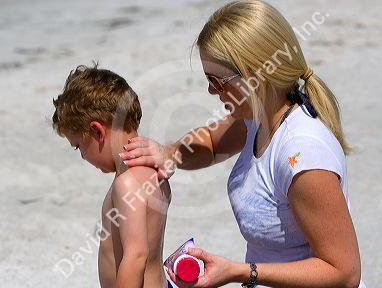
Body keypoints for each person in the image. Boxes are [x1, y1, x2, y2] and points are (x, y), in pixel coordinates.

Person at [120, 1, 366, 287]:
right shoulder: (261, 116)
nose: (211, 90)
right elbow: (211, 143)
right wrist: (169, 153)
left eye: (217, 80)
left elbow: (344, 273)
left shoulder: (303, 155)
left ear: (255, 75)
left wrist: (240, 272)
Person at [52, 65, 173, 288]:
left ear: (97, 131)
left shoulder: (126, 183)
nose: (82, 156)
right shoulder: (155, 172)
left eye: (78, 146)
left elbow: (136, 256)